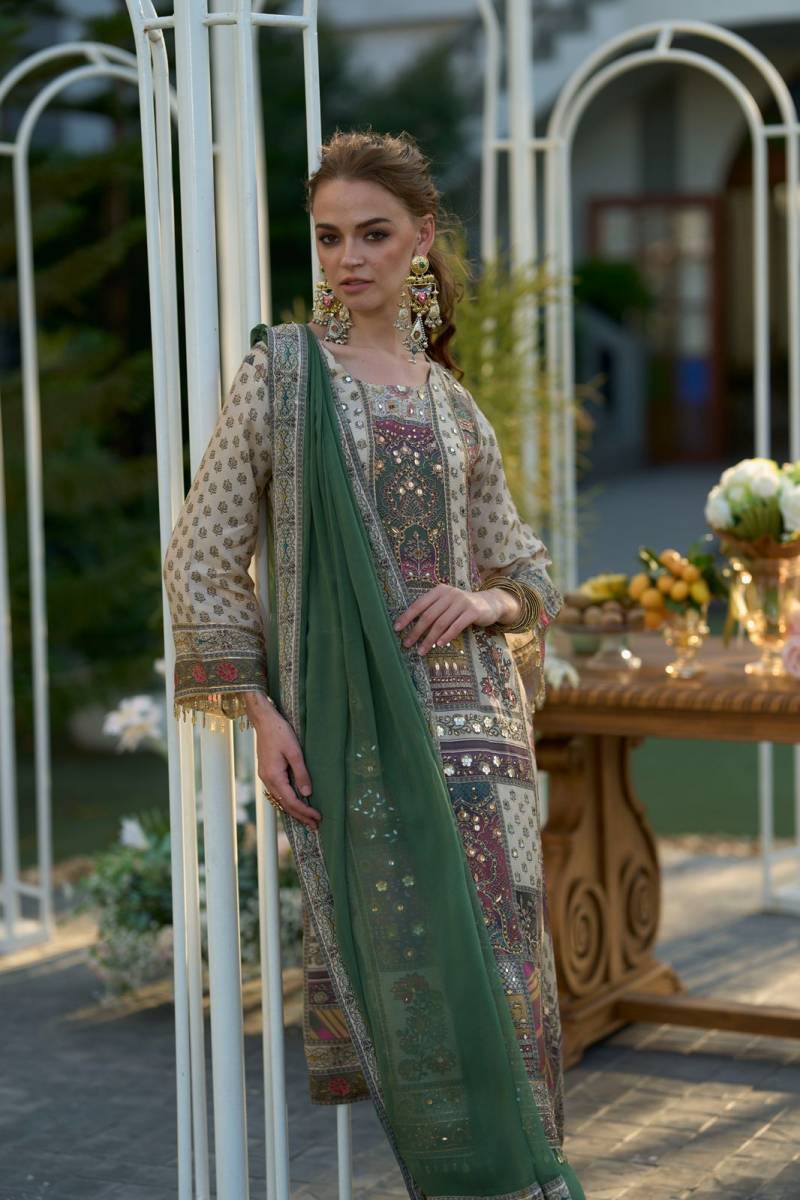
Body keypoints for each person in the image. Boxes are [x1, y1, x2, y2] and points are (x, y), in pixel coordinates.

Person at [163, 129, 584, 1200]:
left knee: (508, 979)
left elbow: (528, 568)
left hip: (481, 733)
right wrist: (259, 713)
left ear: (420, 240)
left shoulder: (452, 403)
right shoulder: (284, 375)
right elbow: (202, 556)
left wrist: (482, 600)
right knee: (415, 981)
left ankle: (528, 1181)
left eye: (373, 234)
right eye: (328, 237)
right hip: (354, 735)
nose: (348, 257)